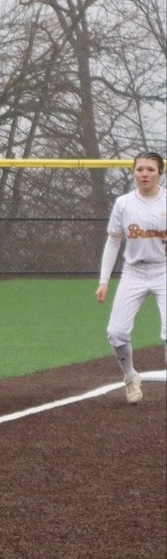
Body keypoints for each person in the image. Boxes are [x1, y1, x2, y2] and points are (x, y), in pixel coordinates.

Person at [95, 152, 166, 405]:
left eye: (150, 169)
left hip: (164, 270)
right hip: (134, 271)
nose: (144, 174)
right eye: (140, 169)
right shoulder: (123, 203)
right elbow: (114, 240)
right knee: (116, 333)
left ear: (160, 173)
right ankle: (130, 376)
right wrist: (104, 281)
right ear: (133, 172)